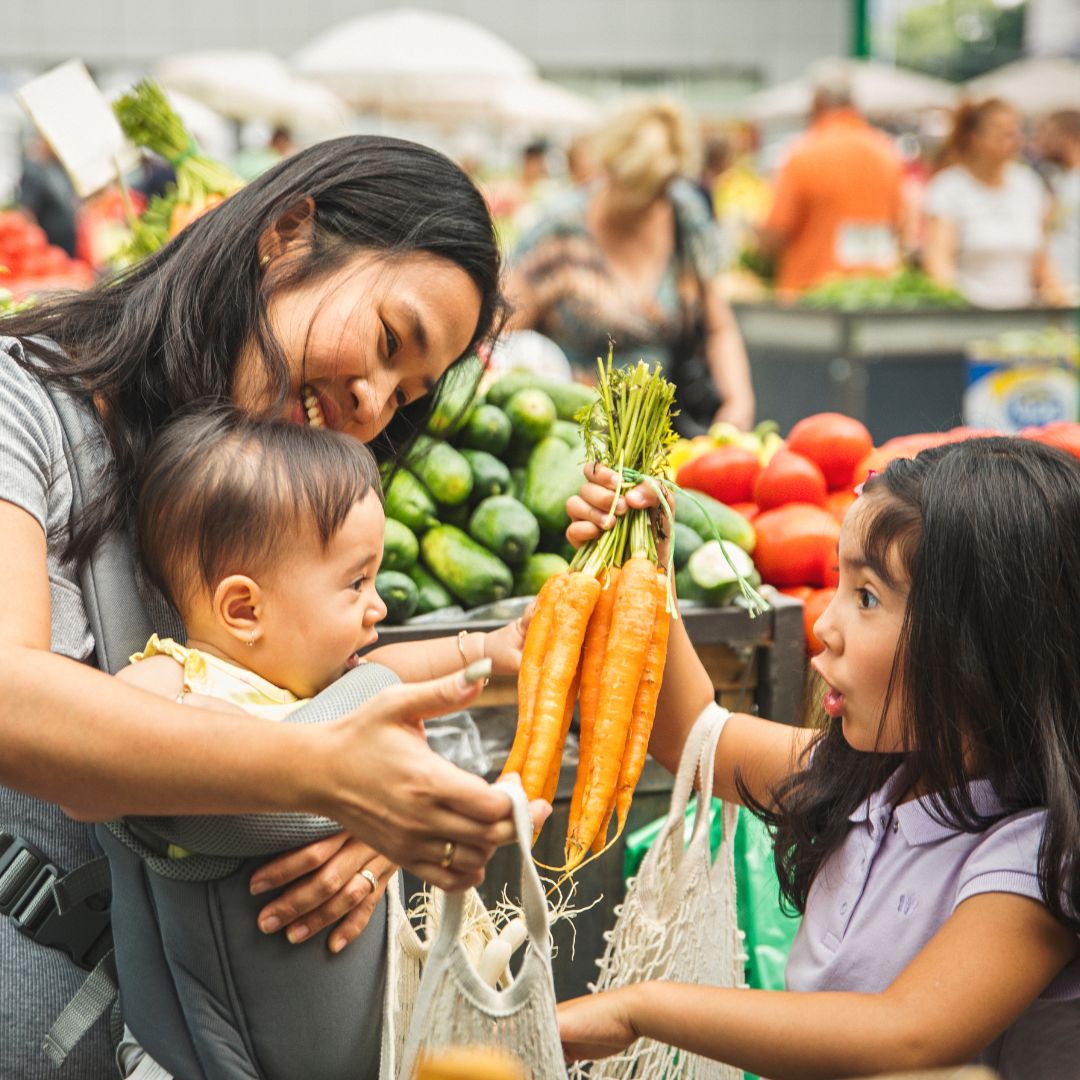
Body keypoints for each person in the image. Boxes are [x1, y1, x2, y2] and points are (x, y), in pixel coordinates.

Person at [0, 134, 544, 1079]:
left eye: (409, 394)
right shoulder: (24, 405)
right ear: (287, 236)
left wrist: (369, 819)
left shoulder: (275, 496)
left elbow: (342, 684)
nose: (375, 407)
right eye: (386, 341)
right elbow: (11, 697)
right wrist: (321, 775)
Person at [560, 437, 1080, 1078]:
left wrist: (638, 1009)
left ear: (980, 648)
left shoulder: (1041, 853)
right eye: (840, 582)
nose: (825, 625)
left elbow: (906, 1033)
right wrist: (647, 563)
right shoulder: (870, 779)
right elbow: (693, 734)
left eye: (867, 597)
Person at [104, 409, 526, 1079]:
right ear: (244, 609)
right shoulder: (174, 680)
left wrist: (485, 649)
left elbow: (389, 672)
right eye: (356, 583)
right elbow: (113, 743)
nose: (377, 605)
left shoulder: (320, 684)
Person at [505, 97, 754, 434]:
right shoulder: (559, 230)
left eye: (662, 187)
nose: (651, 202)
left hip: (662, 442)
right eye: (639, 186)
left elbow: (718, 327)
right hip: (568, 440)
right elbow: (499, 335)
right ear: (608, 167)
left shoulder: (684, 214)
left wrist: (737, 402)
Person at [757, 66, 904, 295]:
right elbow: (901, 226)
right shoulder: (887, 152)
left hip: (812, 295)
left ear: (817, 104)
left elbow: (776, 233)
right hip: (877, 292)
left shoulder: (803, 153)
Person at [923, 98, 1065, 308]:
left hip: (1023, 312)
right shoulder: (949, 187)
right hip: (969, 312)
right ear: (975, 138)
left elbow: (1041, 258)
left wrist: (1055, 293)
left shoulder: (1028, 184)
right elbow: (939, 260)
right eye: (1001, 132)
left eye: (1014, 131)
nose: (1011, 139)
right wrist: (953, 302)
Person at [1035, 109, 1080, 304]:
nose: (1040, 141)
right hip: (1058, 291)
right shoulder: (1063, 180)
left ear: (1066, 137)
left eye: (1047, 133)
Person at [17, 136, 78, 257]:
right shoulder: (32, 171)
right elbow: (28, 212)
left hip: (69, 242)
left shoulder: (57, 166)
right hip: (52, 245)